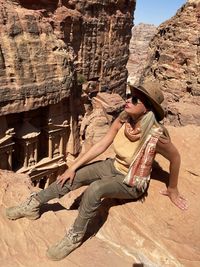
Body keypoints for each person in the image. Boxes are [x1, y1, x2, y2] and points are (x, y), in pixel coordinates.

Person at [5, 79, 188, 261]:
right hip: (112, 166)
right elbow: (101, 145)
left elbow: (175, 158)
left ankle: (75, 236)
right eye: (129, 96)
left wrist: (173, 189)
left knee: (96, 189)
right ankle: (34, 204)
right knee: (73, 176)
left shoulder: (155, 135)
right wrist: (73, 167)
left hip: (131, 180)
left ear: (147, 109)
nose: (128, 100)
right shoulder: (124, 119)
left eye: (134, 100)